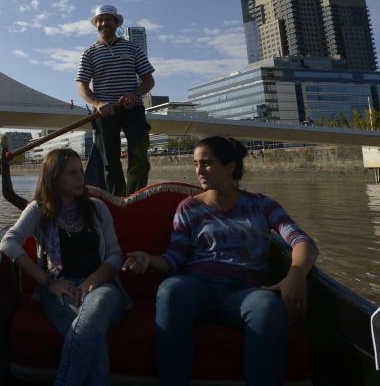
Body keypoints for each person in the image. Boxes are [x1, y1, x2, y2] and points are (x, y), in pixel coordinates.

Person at [123, 136, 317, 386]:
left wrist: (296, 274)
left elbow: (303, 242)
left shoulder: (262, 205)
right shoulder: (189, 208)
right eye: (195, 164)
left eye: (206, 163)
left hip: (245, 294)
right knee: (171, 290)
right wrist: (148, 259)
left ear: (230, 167)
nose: (199, 171)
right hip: (199, 288)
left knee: (268, 307)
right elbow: (174, 258)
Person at [0, 148, 128, 386]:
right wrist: (49, 282)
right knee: (92, 334)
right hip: (60, 289)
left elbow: (115, 256)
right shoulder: (38, 210)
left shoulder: (97, 208)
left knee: (95, 307)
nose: (81, 178)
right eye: (72, 173)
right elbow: (8, 243)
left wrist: (91, 282)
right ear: (54, 177)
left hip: (103, 287)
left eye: (81, 171)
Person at [76, 5, 155, 196]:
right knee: (110, 162)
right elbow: (82, 86)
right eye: (100, 20)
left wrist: (134, 94)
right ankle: (117, 200)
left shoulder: (132, 48)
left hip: (132, 108)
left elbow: (149, 80)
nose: (104, 23)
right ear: (96, 24)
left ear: (116, 22)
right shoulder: (89, 53)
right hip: (105, 111)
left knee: (139, 157)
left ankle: (135, 199)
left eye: (108, 20)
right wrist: (98, 104)